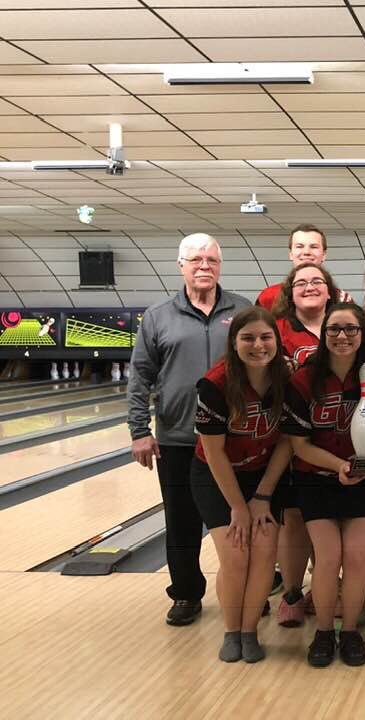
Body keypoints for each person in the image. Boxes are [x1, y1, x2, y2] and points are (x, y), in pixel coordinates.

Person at [128, 232, 251, 626]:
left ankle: (249, 590)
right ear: (181, 265)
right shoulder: (159, 316)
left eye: (211, 260)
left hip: (236, 439)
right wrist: (138, 430)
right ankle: (185, 595)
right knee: (181, 522)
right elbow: (140, 376)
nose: (204, 267)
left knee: (240, 517)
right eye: (196, 260)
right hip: (178, 438)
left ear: (220, 266)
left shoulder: (242, 310)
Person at [281, 303, 365, 667]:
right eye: (334, 329)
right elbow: (299, 445)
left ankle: (350, 632)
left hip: (363, 481)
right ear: (324, 334)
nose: (342, 336)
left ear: (362, 334)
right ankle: (324, 632)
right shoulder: (303, 379)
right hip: (316, 480)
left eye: (350, 329)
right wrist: (339, 465)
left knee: (358, 555)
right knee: (329, 558)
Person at [190, 306, 291, 662]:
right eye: (248, 338)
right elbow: (214, 453)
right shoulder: (215, 385)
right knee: (235, 555)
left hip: (264, 475)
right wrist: (238, 507)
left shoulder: (286, 376)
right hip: (217, 477)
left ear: (276, 342)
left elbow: (286, 442)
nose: (258, 345)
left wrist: (262, 496)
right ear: (234, 343)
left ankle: (250, 632)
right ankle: (232, 631)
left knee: (264, 552)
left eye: (266, 337)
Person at [269, 262, 340, 627]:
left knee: (328, 519)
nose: (309, 287)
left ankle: (326, 587)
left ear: (330, 290)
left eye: (317, 281)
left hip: (335, 439)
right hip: (286, 439)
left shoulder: (344, 323)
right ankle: (293, 592)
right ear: (290, 291)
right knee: (294, 518)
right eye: (301, 283)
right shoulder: (278, 329)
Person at [256, 224, 352, 312]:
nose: (306, 252)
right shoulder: (268, 297)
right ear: (290, 254)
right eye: (299, 246)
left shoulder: (342, 299)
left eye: (314, 247)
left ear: (324, 254)